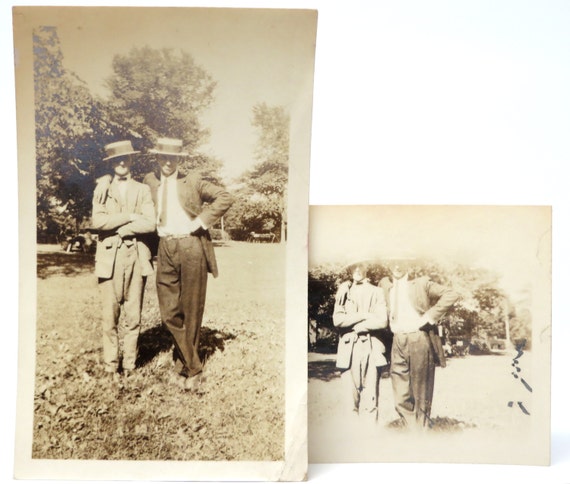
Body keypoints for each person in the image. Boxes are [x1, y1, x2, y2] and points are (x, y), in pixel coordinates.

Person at [94, 137, 233, 391]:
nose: (167, 162)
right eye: (163, 157)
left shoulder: (193, 180)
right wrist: (104, 179)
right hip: (165, 248)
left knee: (191, 310)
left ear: (179, 160)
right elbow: (122, 184)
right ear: (157, 158)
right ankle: (194, 365)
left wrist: (200, 221)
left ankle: (186, 369)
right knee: (169, 312)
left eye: (173, 158)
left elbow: (225, 197)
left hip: (192, 247)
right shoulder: (150, 181)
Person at [91, 140, 156, 381]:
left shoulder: (142, 190)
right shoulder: (102, 188)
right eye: (116, 160)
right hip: (110, 258)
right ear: (111, 163)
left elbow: (150, 222)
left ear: (131, 160)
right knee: (110, 315)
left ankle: (129, 364)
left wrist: (125, 230)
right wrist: (129, 216)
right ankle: (111, 365)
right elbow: (98, 222)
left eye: (125, 158)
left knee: (133, 314)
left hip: (137, 256)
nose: (121, 163)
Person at [380, 259, 459, 430]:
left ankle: (420, 433)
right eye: (393, 262)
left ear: (407, 265)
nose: (397, 266)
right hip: (397, 340)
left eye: (401, 262)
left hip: (418, 338)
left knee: (421, 391)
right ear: (388, 265)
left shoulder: (421, 283)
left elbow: (451, 294)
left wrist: (429, 316)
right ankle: (413, 428)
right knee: (400, 395)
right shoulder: (385, 286)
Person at [332, 261, 389, 423]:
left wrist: (360, 327)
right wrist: (364, 315)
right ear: (349, 269)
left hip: (372, 349)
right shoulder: (344, 290)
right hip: (348, 351)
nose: (357, 270)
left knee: (371, 402)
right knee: (350, 403)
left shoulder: (377, 292)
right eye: (353, 266)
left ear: (366, 268)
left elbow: (382, 321)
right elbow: (337, 320)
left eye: (361, 266)